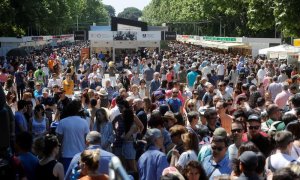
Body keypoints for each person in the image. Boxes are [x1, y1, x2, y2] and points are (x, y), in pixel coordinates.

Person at [56, 99, 90, 171]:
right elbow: (87, 140)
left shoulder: (62, 122)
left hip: (66, 155)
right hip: (80, 156)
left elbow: (58, 140)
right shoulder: (84, 122)